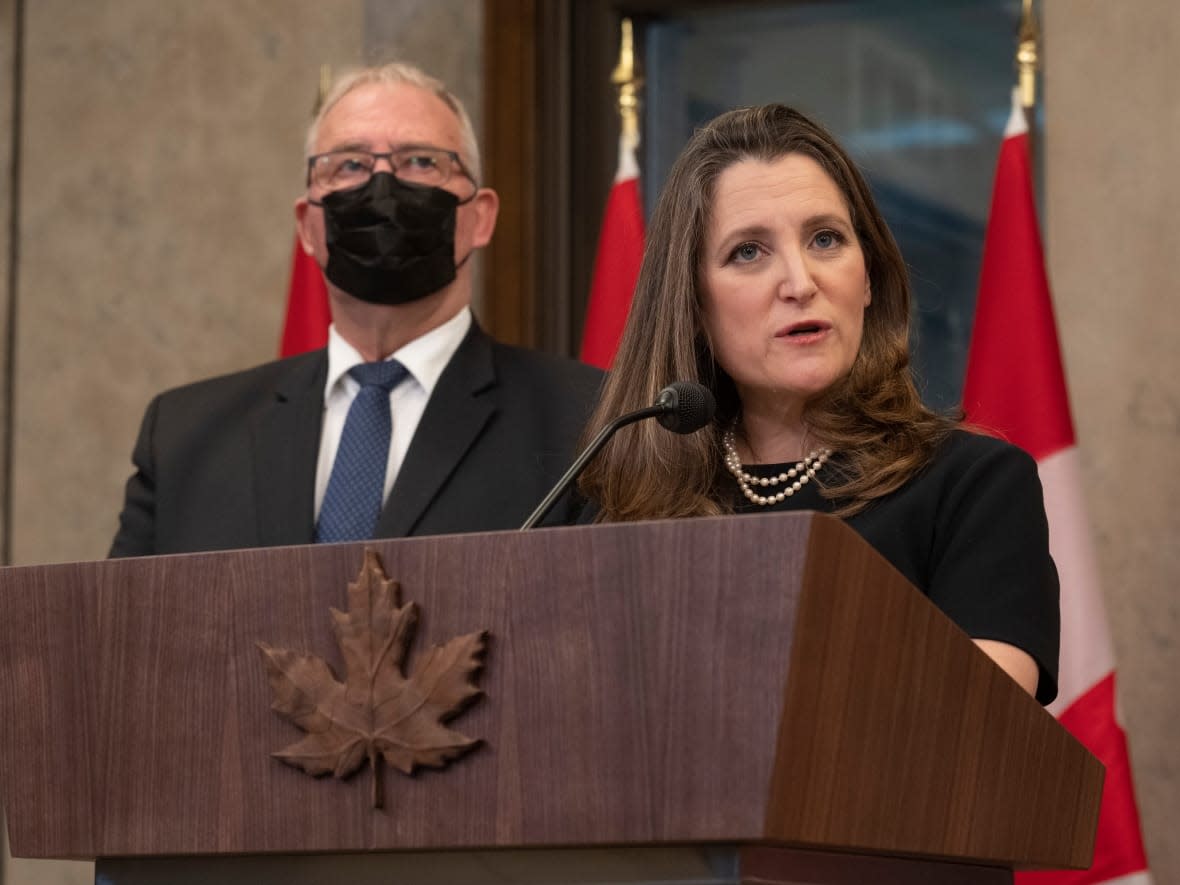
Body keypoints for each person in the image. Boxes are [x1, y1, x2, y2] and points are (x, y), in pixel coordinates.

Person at [577, 104, 1059, 704]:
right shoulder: (617, 506)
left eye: (825, 239)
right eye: (748, 252)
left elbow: (980, 730)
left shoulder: (975, 487)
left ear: (868, 278)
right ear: (694, 308)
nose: (800, 282)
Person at [109, 61, 601, 557]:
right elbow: (120, 629)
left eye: (422, 162)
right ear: (307, 225)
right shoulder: (183, 438)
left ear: (480, 217)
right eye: (349, 164)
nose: (382, 186)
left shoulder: (589, 423)